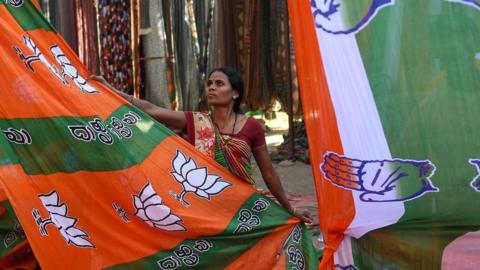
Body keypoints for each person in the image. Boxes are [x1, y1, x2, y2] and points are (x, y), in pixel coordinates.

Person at [89, 67, 312, 223]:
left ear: (234, 93)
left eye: (219, 84)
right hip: (203, 204)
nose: (211, 88)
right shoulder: (196, 120)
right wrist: (111, 90)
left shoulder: (251, 126)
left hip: (239, 204)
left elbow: (269, 174)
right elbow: (150, 110)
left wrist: (289, 209)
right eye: (209, 84)